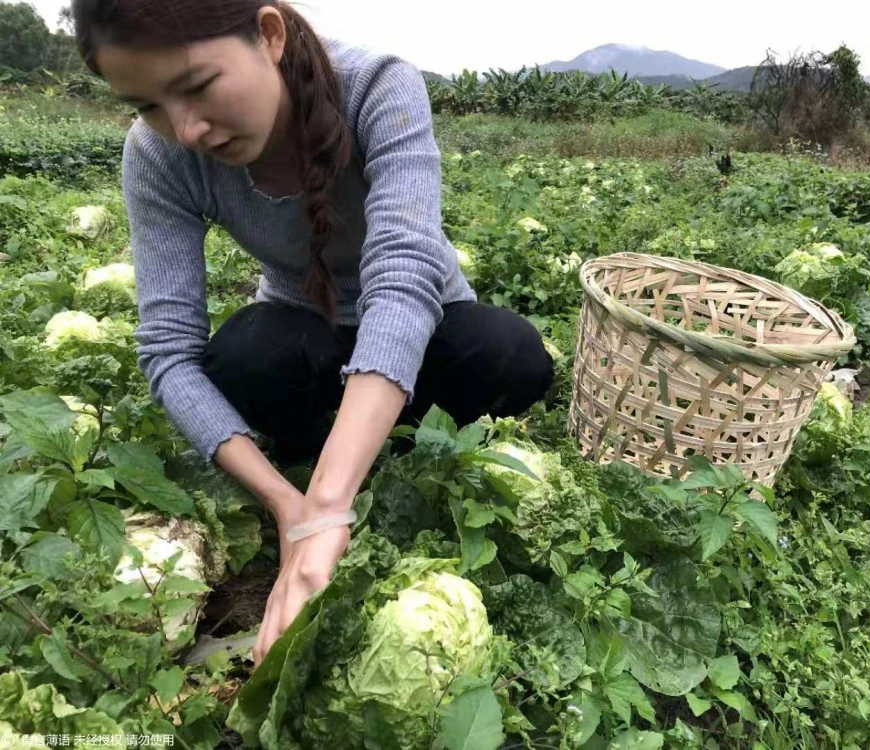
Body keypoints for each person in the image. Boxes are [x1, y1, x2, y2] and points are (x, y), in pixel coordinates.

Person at [70, 0, 554, 666]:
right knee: (243, 360)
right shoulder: (158, 155)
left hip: (425, 327)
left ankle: (351, 444)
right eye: (147, 104)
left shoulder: (378, 86)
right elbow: (169, 352)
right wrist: (286, 504)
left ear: (268, 34)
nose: (183, 129)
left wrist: (329, 505)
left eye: (197, 86)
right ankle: (360, 443)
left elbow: (404, 281)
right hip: (309, 329)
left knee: (513, 357)